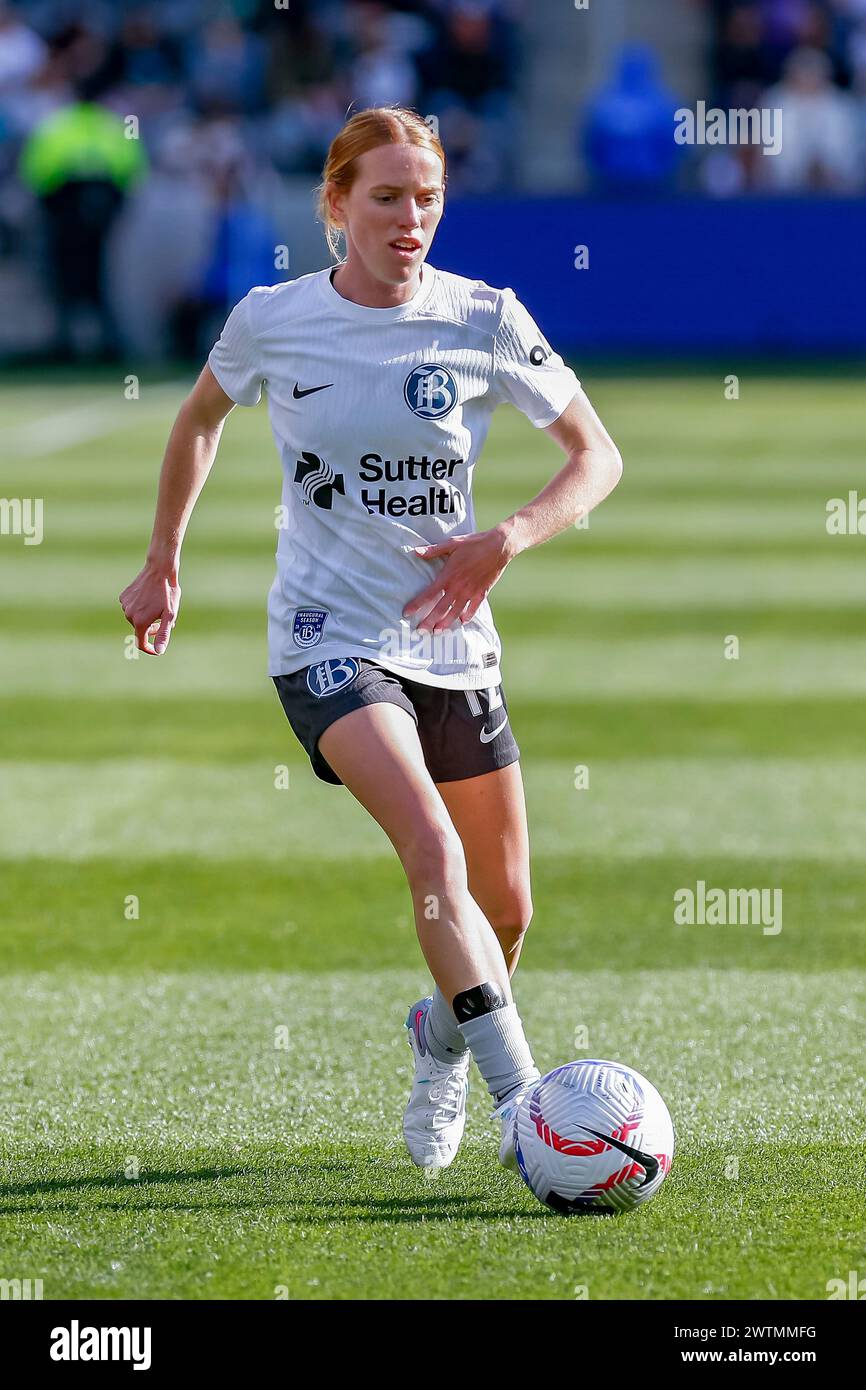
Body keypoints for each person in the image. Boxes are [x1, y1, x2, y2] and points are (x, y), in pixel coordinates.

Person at [119, 106, 623, 1174]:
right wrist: (164, 557)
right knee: (430, 854)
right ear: (336, 203)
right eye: (386, 196)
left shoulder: (483, 317)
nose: (410, 218)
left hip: (455, 641)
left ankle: (437, 1038)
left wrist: (508, 537)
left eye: (427, 198)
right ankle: (524, 1108)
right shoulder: (271, 320)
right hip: (325, 639)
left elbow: (595, 456)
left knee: (506, 912)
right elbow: (199, 418)